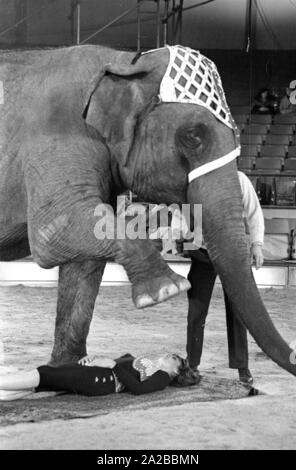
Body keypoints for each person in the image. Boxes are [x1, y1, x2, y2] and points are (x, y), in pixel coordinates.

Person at [184, 171, 265, 384]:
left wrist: (257, 244)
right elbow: (184, 211)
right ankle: (192, 364)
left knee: (238, 311)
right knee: (196, 311)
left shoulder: (239, 179)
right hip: (203, 252)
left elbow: (254, 212)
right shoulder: (198, 178)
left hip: (233, 253)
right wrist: (183, 236)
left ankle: (242, 366)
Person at [0, 352, 199, 401]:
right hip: (98, 373)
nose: (168, 355)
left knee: (45, 374)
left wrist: (111, 364)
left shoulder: (163, 377)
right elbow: (125, 362)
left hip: (101, 379)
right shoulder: (151, 366)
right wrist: (98, 358)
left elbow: (138, 390)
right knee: (42, 384)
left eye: (174, 358)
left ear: (176, 371)